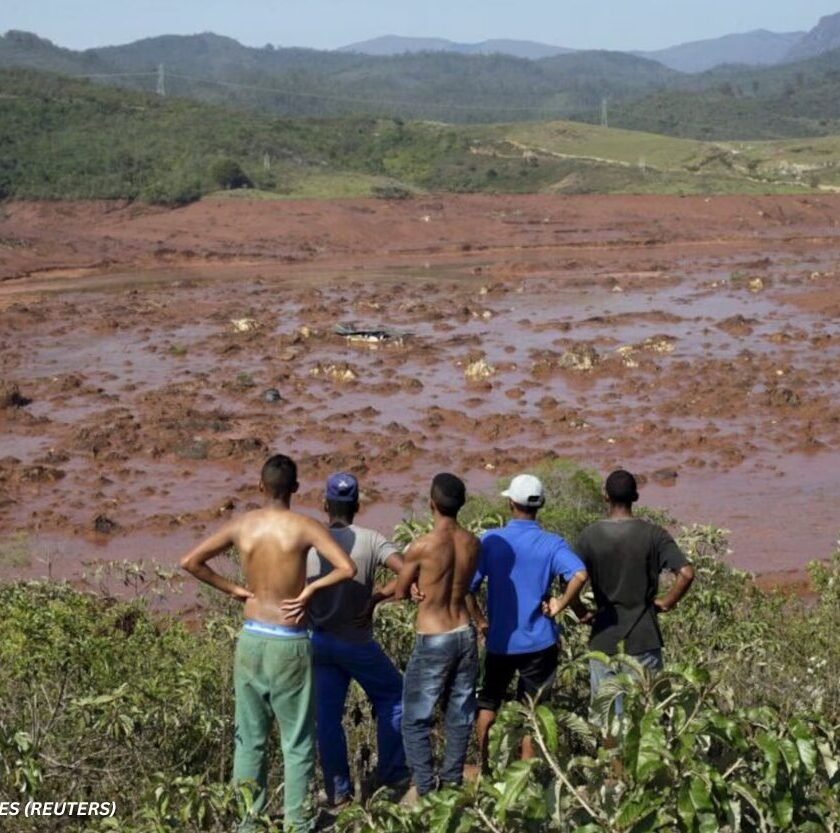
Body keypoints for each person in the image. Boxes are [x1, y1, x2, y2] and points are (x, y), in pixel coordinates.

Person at [180, 454, 356, 833]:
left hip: (252, 637)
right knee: (296, 740)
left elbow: (191, 561)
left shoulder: (243, 525)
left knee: (249, 738)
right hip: (289, 639)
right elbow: (347, 568)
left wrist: (235, 591)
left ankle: (249, 822)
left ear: (260, 487)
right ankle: (299, 822)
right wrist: (309, 590)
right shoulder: (304, 526)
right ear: (295, 489)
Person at [306, 472, 410, 807]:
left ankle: (339, 791)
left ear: (325, 505)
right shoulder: (372, 540)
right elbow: (409, 571)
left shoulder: (310, 543)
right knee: (393, 696)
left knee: (327, 717)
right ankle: (393, 774)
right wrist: (378, 598)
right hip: (358, 642)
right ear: (358, 506)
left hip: (320, 642)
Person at [468, 473, 588, 764]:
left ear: (511, 503)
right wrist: (559, 604)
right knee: (531, 710)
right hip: (539, 642)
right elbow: (580, 574)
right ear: (540, 505)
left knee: (488, 703)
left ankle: (484, 766)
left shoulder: (491, 540)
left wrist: (481, 621)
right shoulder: (551, 543)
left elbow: (468, 587)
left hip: (501, 641)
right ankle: (526, 774)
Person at [575, 469, 695, 716]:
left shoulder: (589, 536)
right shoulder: (654, 534)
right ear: (635, 496)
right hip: (644, 639)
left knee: (608, 719)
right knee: (646, 718)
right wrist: (667, 602)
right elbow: (686, 573)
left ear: (605, 496)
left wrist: (580, 611)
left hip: (604, 640)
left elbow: (568, 578)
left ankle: (613, 757)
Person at [393, 473, 480, 796]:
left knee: (416, 718)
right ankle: (454, 781)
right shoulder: (473, 542)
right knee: (459, 713)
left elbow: (401, 591)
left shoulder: (422, 546)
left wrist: (413, 585)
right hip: (464, 630)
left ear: (431, 504)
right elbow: (465, 583)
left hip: (434, 636)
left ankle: (426, 789)